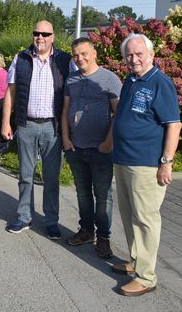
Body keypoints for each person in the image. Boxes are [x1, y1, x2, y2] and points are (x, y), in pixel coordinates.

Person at [111, 33, 182, 297]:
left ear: (151, 55)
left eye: (139, 54)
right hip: (124, 159)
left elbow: (173, 125)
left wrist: (166, 162)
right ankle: (135, 261)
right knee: (130, 216)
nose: (134, 59)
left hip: (146, 163)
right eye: (129, 55)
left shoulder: (160, 83)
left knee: (145, 219)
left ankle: (146, 277)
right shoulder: (130, 80)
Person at [1, 20, 71, 239]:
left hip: (53, 126)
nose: (40, 37)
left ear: (53, 37)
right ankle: (24, 216)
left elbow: (73, 93)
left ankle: (51, 221)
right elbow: (10, 92)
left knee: (51, 178)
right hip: (27, 124)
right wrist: (5, 122)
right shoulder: (20, 58)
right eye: (36, 33)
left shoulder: (64, 60)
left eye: (45, 34)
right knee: (25, 175)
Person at [61, 37, 122, 259]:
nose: (80, 58)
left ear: (95, 53)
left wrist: (108, 142)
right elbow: (65, 110)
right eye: (76, 55)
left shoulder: (109, 79)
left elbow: (119, 113)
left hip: (101, 149)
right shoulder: (71, 80)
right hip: (76, 147)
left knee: (103, 195)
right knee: (83, 193)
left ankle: (103, 238)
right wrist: (66, 138)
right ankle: (86, 231)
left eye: (84, 53)